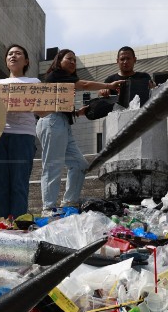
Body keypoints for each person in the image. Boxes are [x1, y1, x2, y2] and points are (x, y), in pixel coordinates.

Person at [37, 49, 123, 212]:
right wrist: (108, 85)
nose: (72, 62)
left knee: (79, 164)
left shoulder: (63, 80)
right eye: (69, 59)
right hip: (52, 121)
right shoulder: (56, 74)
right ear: (59, 61)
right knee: (52, 165)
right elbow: (84, 85)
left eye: (75, 60)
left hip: (62, 123)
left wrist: (77, 113)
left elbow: (61, 105)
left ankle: (69, 202)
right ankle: (48, 208)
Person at [0, 44, 40, 219]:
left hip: (23, 135)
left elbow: (43, 111)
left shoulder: (35, 83)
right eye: (10, 54)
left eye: (18, 53)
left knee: (19, 184)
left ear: (26, 61)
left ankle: (18, 225)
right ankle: (1, 224)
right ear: (6, 61)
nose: (13, 56)